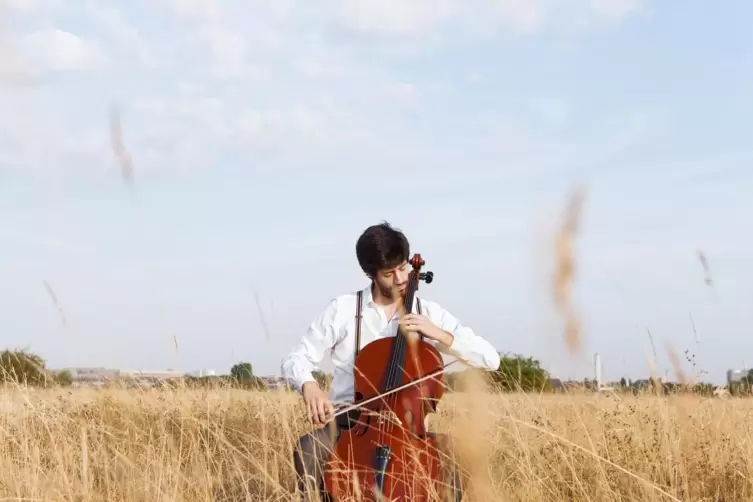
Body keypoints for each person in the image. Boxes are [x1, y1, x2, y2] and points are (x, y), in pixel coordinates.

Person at [281, 222, 501, 501]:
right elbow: (296, 358)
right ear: (370, 274)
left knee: (457, 453)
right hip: (350, 424)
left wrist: (439, 334)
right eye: (388, 273)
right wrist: (308, 385)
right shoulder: (344, 309)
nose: (400, 279)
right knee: (309, 448)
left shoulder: (429, 312)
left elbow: (490, 359)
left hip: (409, 429)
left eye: (403, 268)